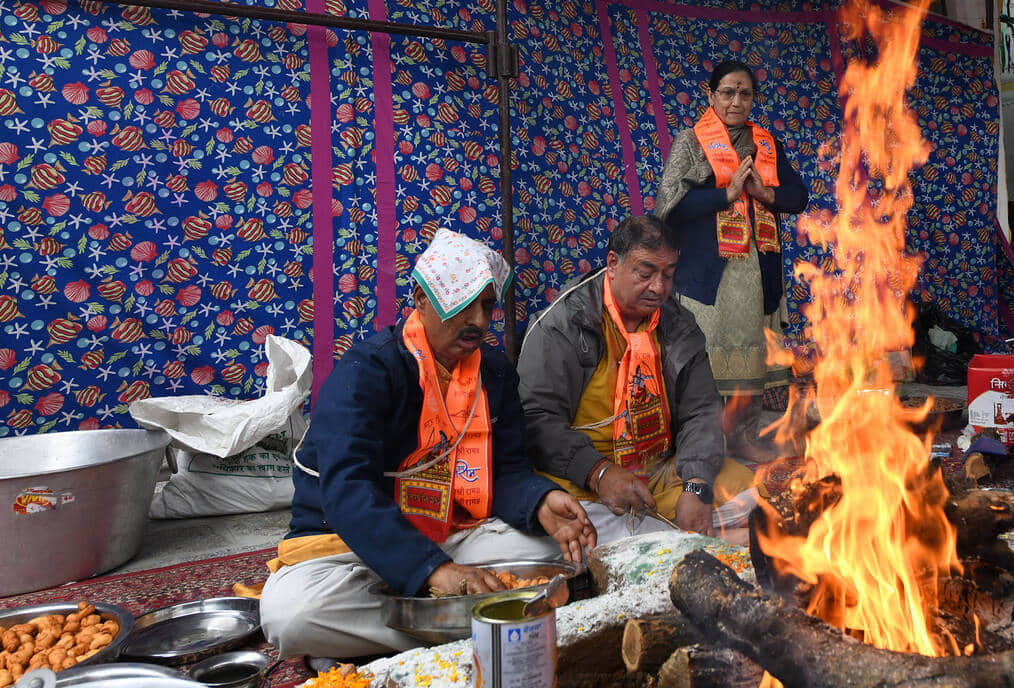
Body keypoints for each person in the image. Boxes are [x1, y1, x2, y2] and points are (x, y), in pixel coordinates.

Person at [260, 230, 596, 659]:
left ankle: (421, 628)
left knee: (568, 549)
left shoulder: (494, 373)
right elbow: (348, 491)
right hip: (350, 548)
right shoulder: (366, 371)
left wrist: (540, 500)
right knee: (291, 616)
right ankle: (483, 623)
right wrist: (432, 571)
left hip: (455, 534)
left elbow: (506, 470)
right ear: (420, 298)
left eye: (488, 305)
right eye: (463, 303)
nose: (478, 321)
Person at [518, 215, 756, 541]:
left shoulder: (677, 324)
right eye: (645, 274)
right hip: (584, 480)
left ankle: (670, 537)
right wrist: (598, 472)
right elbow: (537, 420)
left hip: (658, 471)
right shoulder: (563, 325)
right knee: (566, 525)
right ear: (612, 264)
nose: (658, 287)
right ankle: (684, 538)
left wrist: (697, 485)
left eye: (668, 275)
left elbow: (701, 411)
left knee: (756, 495)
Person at [654, 60, 808, 452]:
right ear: (710, 95)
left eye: (745, 93)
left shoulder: (766, 144)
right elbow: (670, 206)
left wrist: (765, 195)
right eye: (727, 92)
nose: (736, 101)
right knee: (707, 362)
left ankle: (743, 439)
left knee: (754, 360)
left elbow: (799, 196)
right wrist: (724, 195)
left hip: (759, 272)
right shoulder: (692, 142)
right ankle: (702, 445)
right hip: (709, 275)